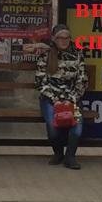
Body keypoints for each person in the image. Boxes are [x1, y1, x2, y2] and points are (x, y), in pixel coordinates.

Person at [35, 23, 88, 169]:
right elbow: (41, 82)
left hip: (72, 98)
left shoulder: (77, 54)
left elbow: (82, 80)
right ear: (54, 39)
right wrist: (56, 100)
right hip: (50, 98)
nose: (64, 40)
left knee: (76, 127)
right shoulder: (46, 55)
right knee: (53, 127)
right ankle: (58, 153)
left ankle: (70, 157)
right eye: (60, 38)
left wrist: (71, 99)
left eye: (67, 38)